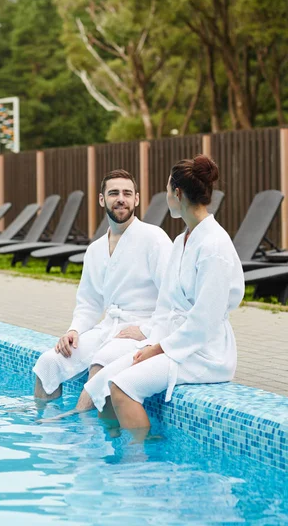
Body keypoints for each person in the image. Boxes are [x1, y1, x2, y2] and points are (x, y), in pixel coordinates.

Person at [84, 155, 245, 440]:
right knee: (102, 383)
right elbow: (166, 306)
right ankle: (109, 449)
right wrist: (150, 340)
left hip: (204, 353)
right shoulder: (184, 239)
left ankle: (141, 466)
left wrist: (159, 349)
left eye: (168, 190)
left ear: (177, 194)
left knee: (121, 388)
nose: (166, 195)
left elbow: (204, 323)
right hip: (175, 341)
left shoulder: (213, 246)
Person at [33, 169, 173, 408]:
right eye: (114, 193)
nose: (121, 198)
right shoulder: (95, 249)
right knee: (48, 362)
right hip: (108, 327)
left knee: (101, 363)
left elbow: (173, 297)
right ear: (102, 199)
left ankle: (88, 439)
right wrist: (74, 330)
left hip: (141, 330)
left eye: (127, 193)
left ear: (136, 199)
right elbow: (89, 302)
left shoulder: (154, 238)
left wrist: (147, 329)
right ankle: (45, 429)